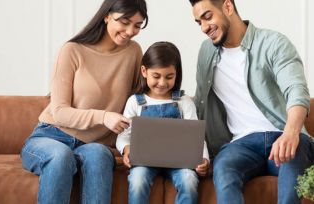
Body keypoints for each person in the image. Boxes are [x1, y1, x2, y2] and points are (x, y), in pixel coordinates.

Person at [20, 0, 148, 203]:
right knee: (61, 157)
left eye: (138, 25)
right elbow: (60, 111)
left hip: (94, 143)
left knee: (98, 156)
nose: (130, 31)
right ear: (107, 15)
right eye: (125, 21)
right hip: (52, 135)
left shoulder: (133, 52)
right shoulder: (72, 51)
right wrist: (103, 117)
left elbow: (139, 101)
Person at [188, 0, 314, 204]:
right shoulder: (206, 52)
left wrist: (291, 133)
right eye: (198, 22)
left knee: (293, 161)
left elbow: (296, 90)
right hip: (239, 145)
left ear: (228, 7)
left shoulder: (273, 42)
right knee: (224, 169)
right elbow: (201, 105)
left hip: (283, 136)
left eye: (208, 17)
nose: (203, 28)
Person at [116, 41, 210, 204]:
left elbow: (196, 137)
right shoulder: (135, 102)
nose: (162, 82)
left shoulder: (184, 102)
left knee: (189, 180)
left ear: (177, 74)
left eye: (169, 77)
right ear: (144, 71)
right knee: (137, 180)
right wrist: (126, 149)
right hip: (144, 160)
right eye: (156, 76)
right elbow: (123, 136)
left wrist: (204, 159)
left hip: (180, 162)